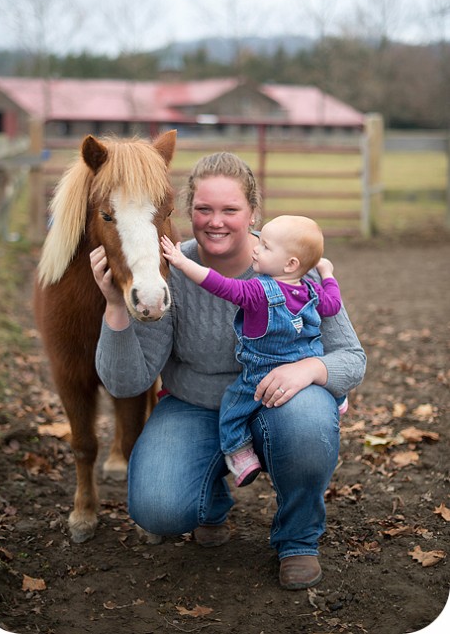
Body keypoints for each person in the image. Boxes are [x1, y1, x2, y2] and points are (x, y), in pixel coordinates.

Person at [91, 151, 366, 591]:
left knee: (310, 419)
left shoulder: (296, 268)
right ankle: (209, 495)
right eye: (203, 209)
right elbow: (129, 382)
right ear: (187, 212)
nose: (215, 221)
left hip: (277, 400)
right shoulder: (169, 271)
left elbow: (351, 358)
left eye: (230, 210)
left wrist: (311, 369)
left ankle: (297, 539)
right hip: (195, 406)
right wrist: (113, 307)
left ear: (253, 213)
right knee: (157, 508)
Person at [160, 215, 346, 489]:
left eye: (266, 247)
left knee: (232, 406)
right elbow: (333, 304)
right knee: (317, 371)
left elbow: (218, 284)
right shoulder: (310, 290)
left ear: (290, 263)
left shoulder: (258, 292)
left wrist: (182, 262)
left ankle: (238, 452)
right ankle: (337, 397)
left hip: (262, 375)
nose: (256, 247)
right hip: (305, 363)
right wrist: (328, 273)